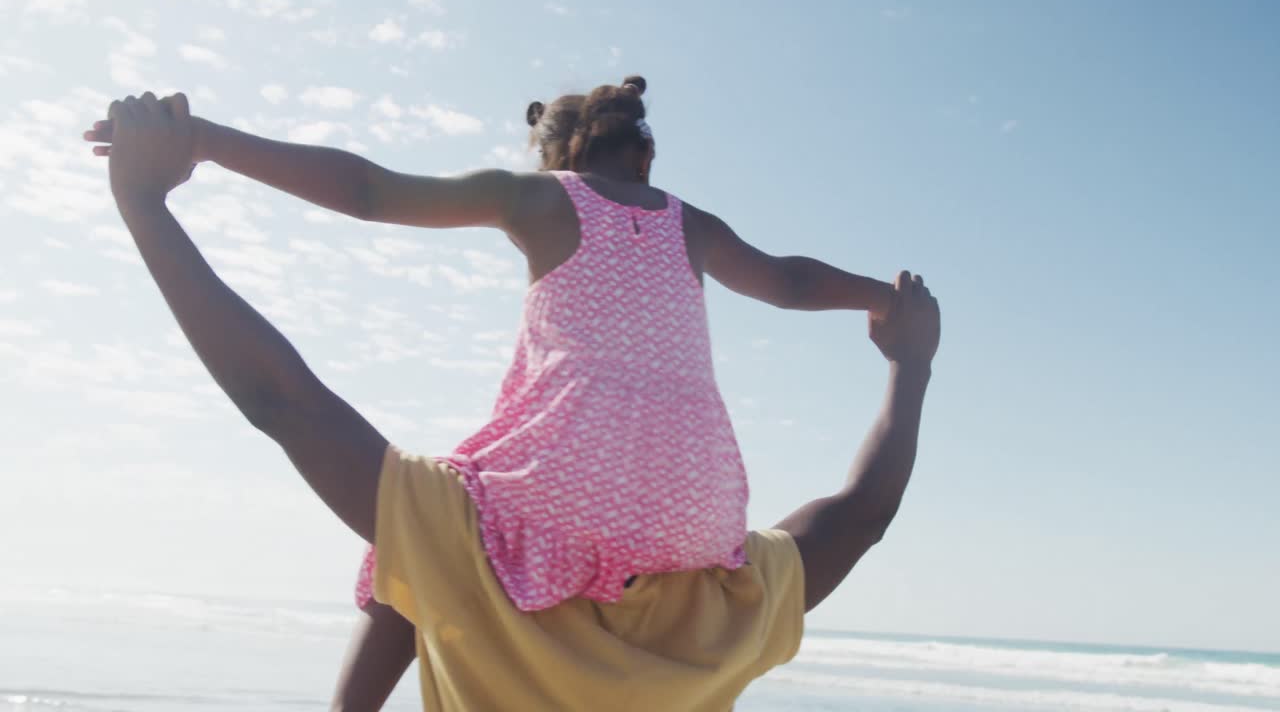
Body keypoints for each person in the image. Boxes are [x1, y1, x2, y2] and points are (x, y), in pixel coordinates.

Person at [87, 81, 939, 710]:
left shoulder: (539, 198)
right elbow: (789, 284)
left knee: (423, 524)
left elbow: (369, 192)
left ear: (562, 156)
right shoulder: (690, 222)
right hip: (697, 516)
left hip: (563, 488)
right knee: (440, 504)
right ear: (645, 156)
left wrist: (206, 142)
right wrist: (884, 306)